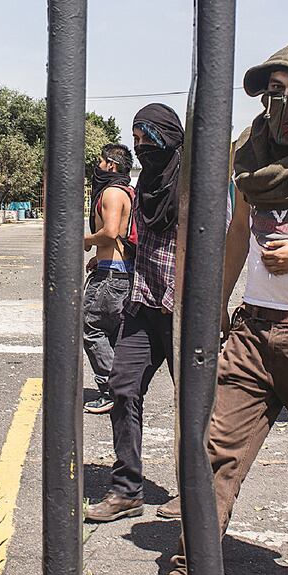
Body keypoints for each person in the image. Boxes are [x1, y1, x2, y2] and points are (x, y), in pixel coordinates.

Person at [130, 37, 288, 575]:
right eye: (275, 91)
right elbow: (238, 232)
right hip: (254, 328)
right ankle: (188, 569)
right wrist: (218, 304)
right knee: (212, 450)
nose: (285, 104)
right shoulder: (255, 152)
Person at [84, 104, 183, 523]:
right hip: (143, 302)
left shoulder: (195, 185)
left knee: (193, 403)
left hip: (182, 310)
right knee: (123, 389)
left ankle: (195, 490)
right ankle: (127, 490)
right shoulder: (142, 188)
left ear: (169, 139)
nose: (142, 149)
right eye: (137, 140)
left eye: (149, 140)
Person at [82, 143, 136, 414]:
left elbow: (111, 232)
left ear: (111, 165)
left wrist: (86, 240)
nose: (98, 166)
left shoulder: (112, 193)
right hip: (119, 269)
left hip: (110, 276)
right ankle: (122, 389)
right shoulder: (126, 190)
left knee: (91, 327)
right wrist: (98, 256)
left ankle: (112, 390)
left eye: (100, 161)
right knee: (112, 332)